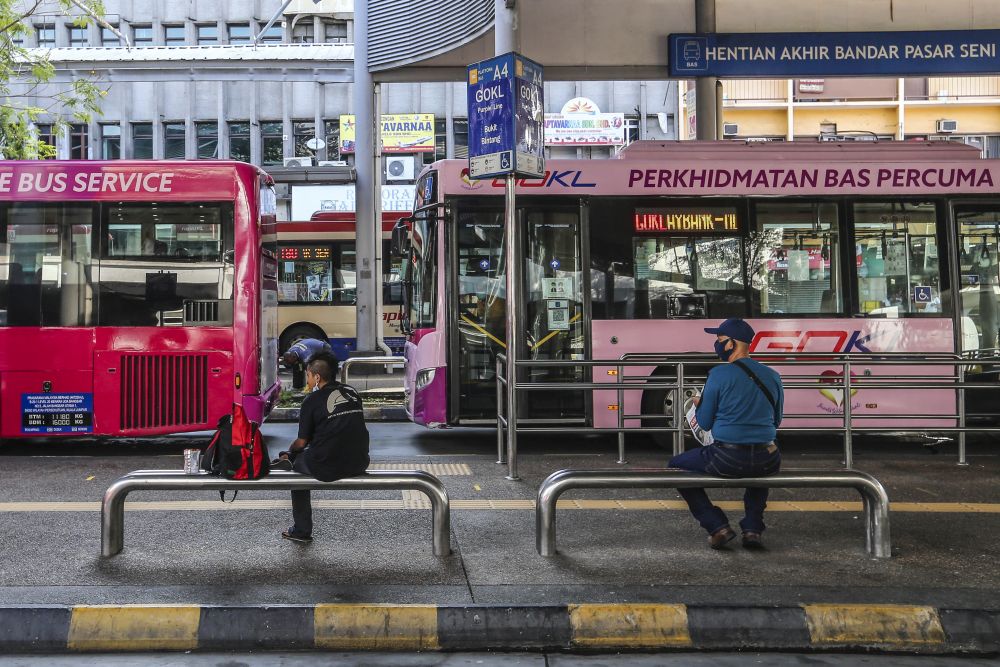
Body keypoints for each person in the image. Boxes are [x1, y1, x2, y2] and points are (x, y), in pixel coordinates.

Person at [668, 318, 783, 550]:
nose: (717, 345)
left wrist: (700, 404)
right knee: (760, 470)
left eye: (720, 340)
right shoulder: (773, 376)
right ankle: (752, 529)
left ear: (732, 344)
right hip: (769, 457)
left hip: (727, 457)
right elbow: (776, 420)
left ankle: (716, 526)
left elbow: (705, 422)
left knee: (676, 466)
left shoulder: (718, 375)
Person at [272, 352, 370, 543]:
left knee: (295, 472)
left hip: (327, 465)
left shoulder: (311, 401)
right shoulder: (351, 392)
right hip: (360, 461)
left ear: (317, 377)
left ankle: (301, 531)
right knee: (308, 453)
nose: (307, 380)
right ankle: (289, 459)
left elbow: (301, 442)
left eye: (308, 375)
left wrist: (291, 452)